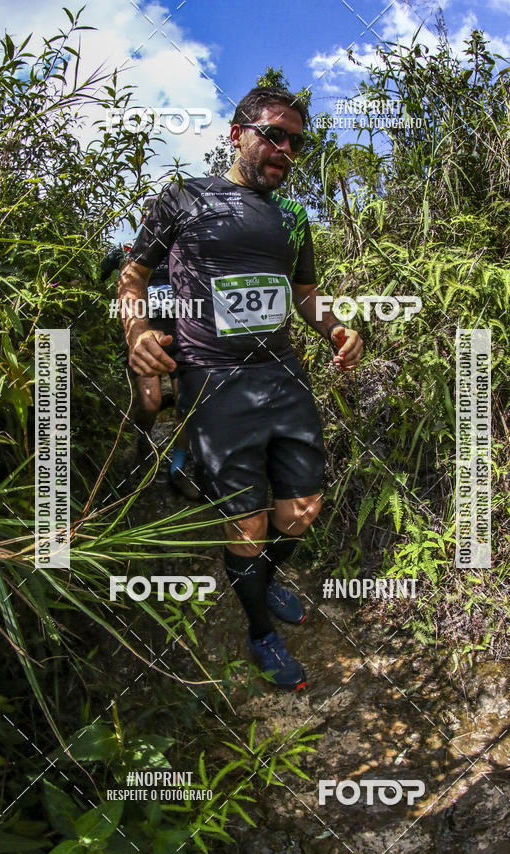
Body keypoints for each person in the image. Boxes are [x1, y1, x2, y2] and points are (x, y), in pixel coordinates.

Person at [118, 86, 363, 691]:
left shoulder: (295, 216)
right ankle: (260, 632)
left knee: (301, 513)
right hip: (214, 382)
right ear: (236, 133)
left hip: (282, 376)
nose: (284, 150)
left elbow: (304, 295)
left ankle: (263, 577)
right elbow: (134, 276)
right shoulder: (183, 197)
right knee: (247, 526)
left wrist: (334, 327)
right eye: (273, 135)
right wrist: (137, 331)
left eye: (296, 142)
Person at [101, 206, 199, 500]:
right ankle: (143, 446)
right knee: (151, 401)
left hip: (183, 333)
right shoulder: (126, 249)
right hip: (146, 334)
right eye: (150, 216)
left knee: (187, 405)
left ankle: (179, 468)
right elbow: (99, 274)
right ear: (143, 220)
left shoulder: (183, 248)